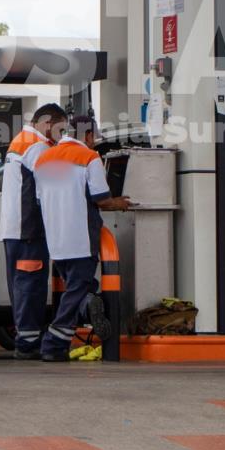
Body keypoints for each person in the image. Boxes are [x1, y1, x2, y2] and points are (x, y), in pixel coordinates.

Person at [33, 115, 131, 362]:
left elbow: (39, 198)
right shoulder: (89, 157)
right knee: (77, 289)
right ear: (88, 136)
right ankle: (53, 343)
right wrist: (120, 203)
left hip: (55, 238)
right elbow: (101, 198)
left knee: (79, 287)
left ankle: (89, 305)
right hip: (81, 236)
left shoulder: (43, 159)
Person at [0, 103, 68, 359]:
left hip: (14, 228)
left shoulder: (20, 140)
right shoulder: (37, 146)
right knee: (31, 286)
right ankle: (28, 344)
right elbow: (50, 185)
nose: (62, 135)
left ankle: (25, 338)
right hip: (29, 229)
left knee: (21, 285)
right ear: (48, 123)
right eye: (61, 128)